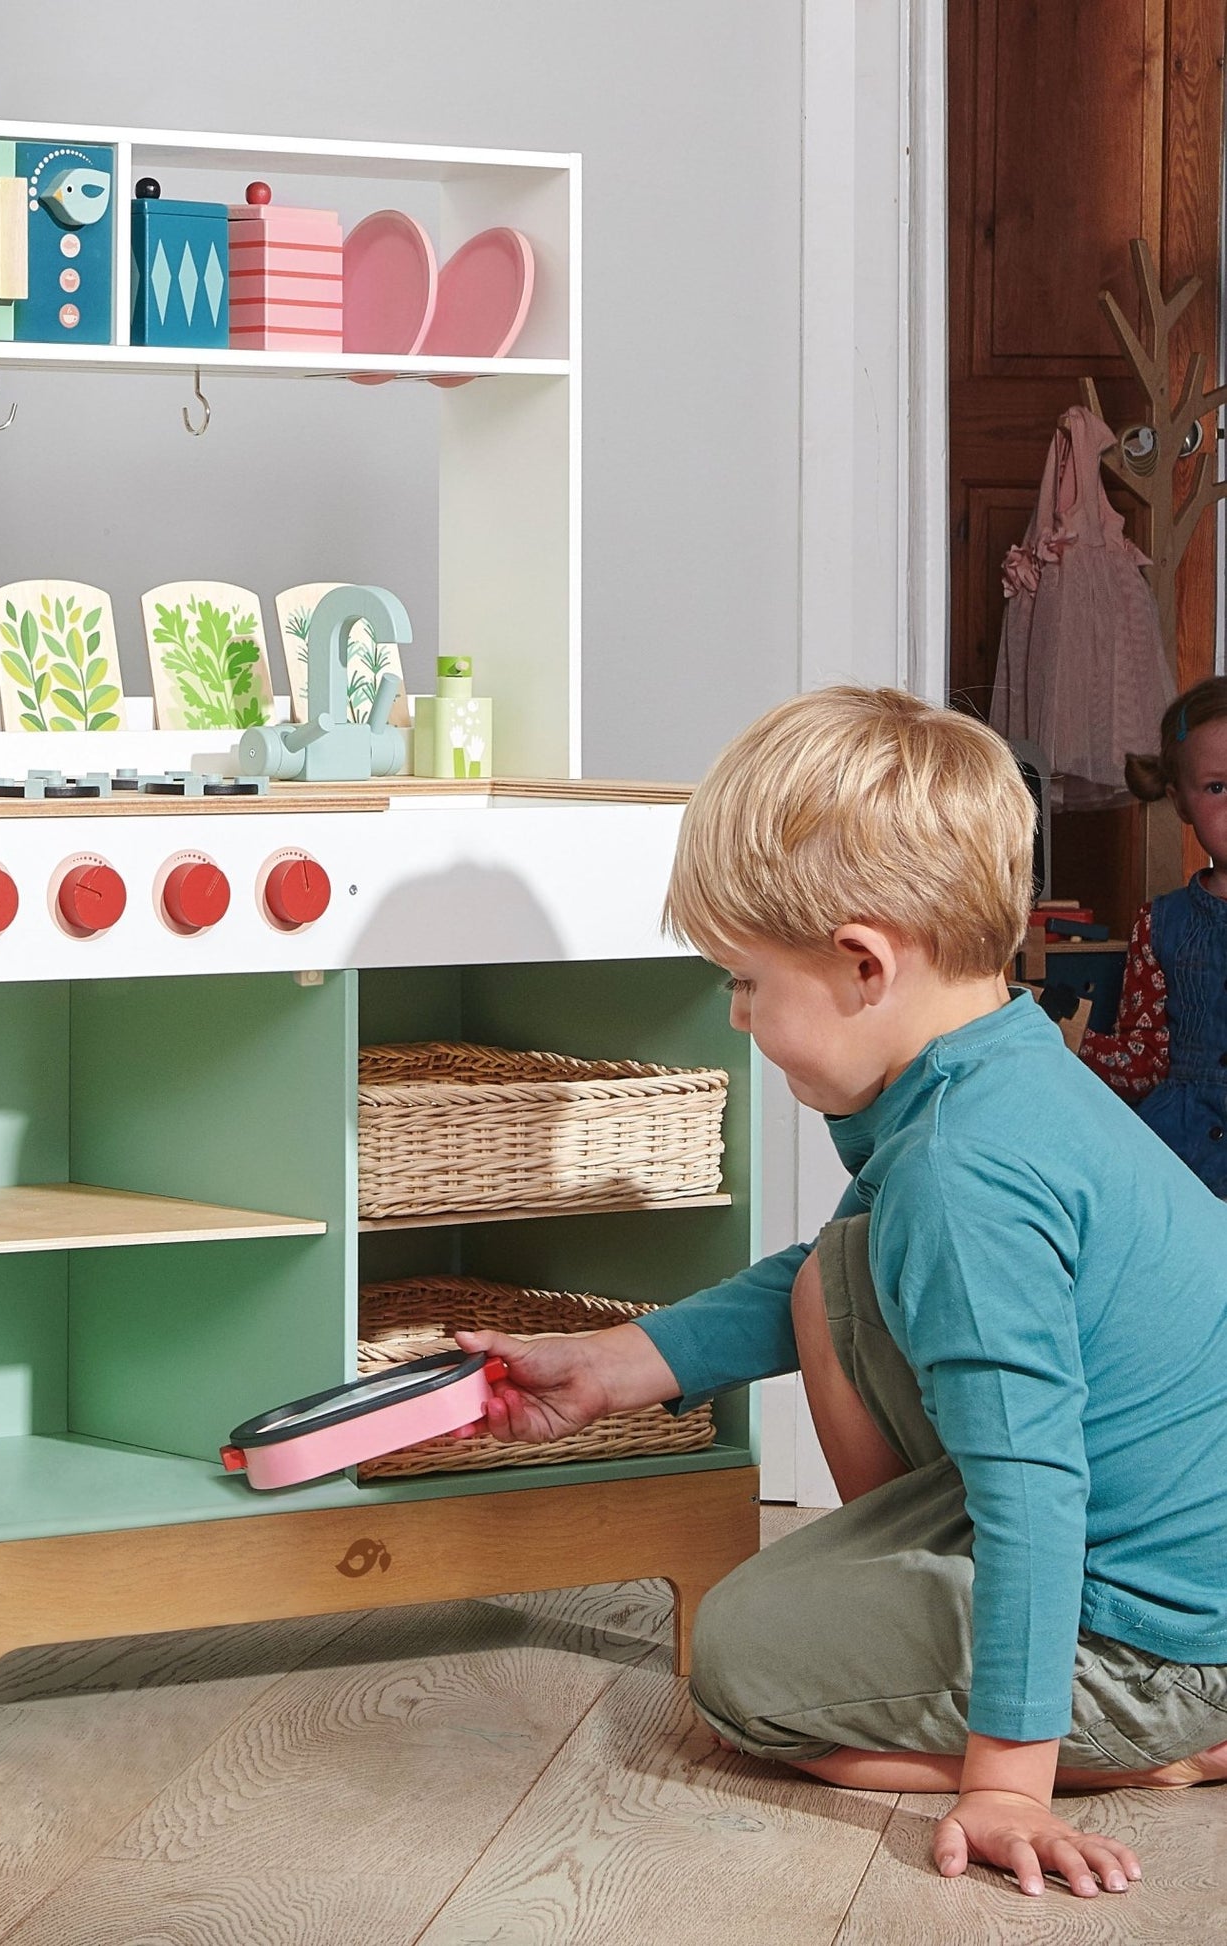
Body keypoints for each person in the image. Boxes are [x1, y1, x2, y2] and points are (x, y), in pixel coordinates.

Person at [458, 687, 1227, 1901]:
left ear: (862, 963)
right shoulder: (997, 1067)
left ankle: (1144, 1743)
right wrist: (617, 1365)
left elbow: (1033, 1485)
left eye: (747, 981)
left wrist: (1005, 1785)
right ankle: (1047, 1687)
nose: (736, 1012)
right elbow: (835, 1273)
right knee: (841, 1274)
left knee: (740, 1668)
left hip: (1153, 1639)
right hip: (1167, 1555)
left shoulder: (961, 1173)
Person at [1077, 677, 1227, 1195]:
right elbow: (1143, 1063)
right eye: (1217, 787)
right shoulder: (1160, 923)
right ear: (1180, 802)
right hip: (1177, 1159)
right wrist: (1063, 1039)